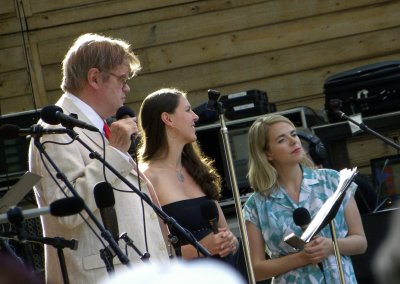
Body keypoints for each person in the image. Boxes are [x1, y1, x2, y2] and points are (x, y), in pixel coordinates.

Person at [28, 33, 170, 284]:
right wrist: (114, 153)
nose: (127, 88)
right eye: (122, 79)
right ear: (94, 78)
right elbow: (67, 212)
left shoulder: (97, 127)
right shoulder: (53, 131)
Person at [243, 114, 367, 283]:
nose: (294, 141)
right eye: (281, 140)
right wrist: (302, 257)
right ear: (267, 154)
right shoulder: (255, 205)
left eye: (293, 134)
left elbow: (360, 242)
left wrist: (331, 246)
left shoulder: (333, 181)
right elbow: (255, 270)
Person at [137, 88, 239, 262]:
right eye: (187, 110)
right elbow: (151, 251)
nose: (196, 116)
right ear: (167, 119)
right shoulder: (146, 178)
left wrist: (230, 241)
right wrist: (200, 249)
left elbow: (229, 235)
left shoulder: (198, 170)